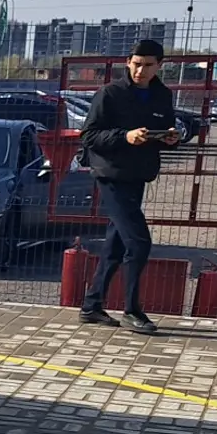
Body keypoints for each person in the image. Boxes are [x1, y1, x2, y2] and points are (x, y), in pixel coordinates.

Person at [78, 38, 180, 335]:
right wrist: (125, 136)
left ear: (160, 66)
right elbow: (90, 136)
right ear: (128, 62)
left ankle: (91, 305)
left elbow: (166, 130)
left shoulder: (162, 95)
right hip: (111, 176)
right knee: (139, 242)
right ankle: (132, 311)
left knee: (117, 243)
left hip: (139, 176)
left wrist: (171, 139)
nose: (141, 70)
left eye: (148, 65)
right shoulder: (110, 93)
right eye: (137, 64)